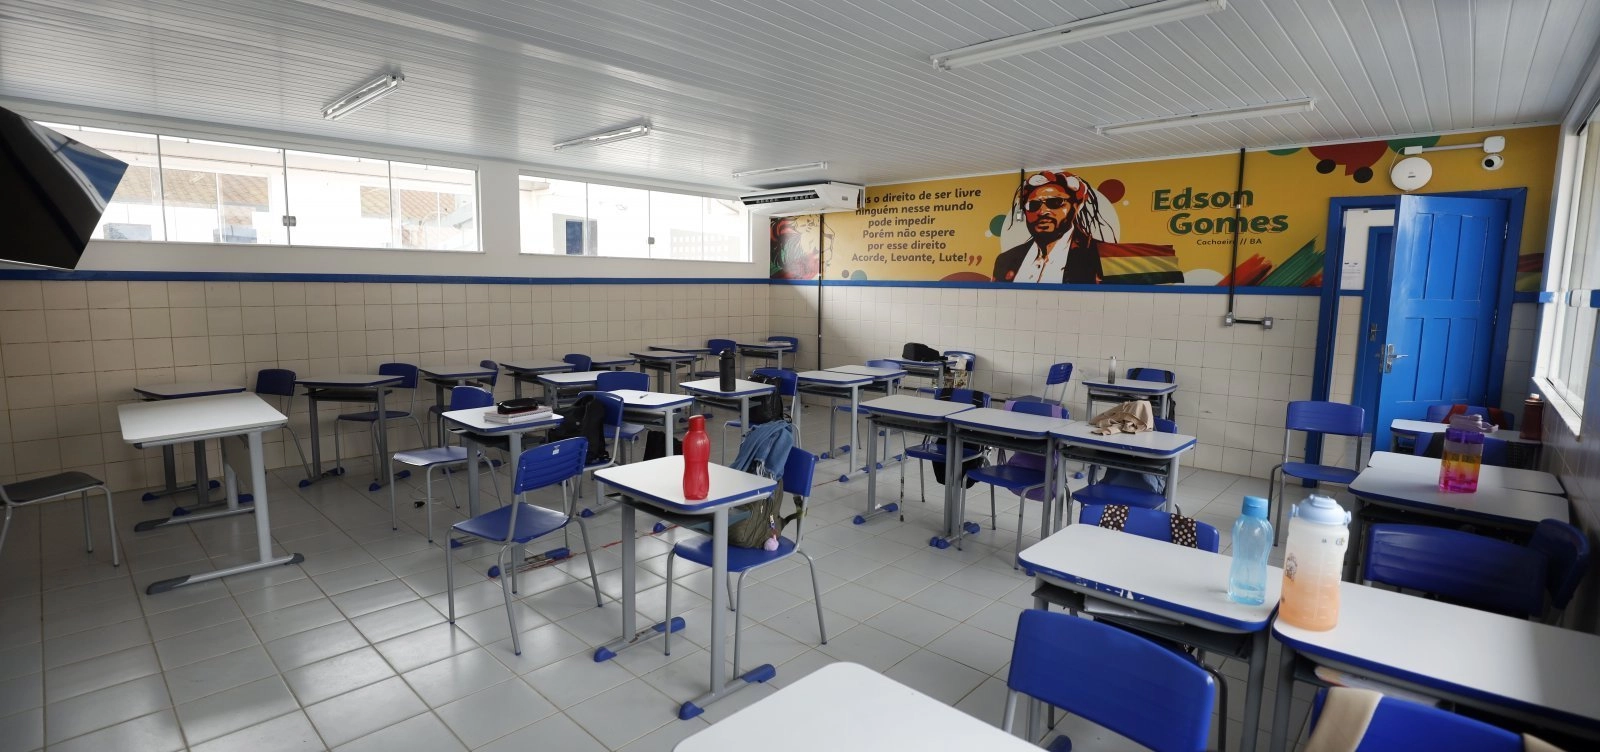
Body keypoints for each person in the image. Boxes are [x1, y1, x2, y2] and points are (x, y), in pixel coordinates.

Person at [992, 170, 1113, 284]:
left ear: (1076, 206)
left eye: (1055, 202)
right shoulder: (1005, 260)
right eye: (1034, 205)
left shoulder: (1103, 256)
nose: (1042, 211)